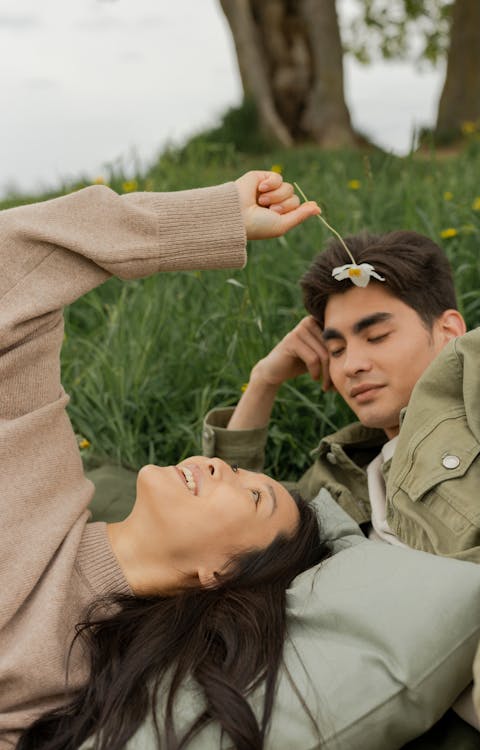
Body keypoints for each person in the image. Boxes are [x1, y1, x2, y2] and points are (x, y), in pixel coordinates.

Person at [0, 171, 328, 750]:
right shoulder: (38, 463)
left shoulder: (80, 680)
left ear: (220, 575)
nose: (224, 466)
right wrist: (210, 216)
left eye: (254, 493)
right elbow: (15, 261)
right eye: (246, 472)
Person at [203, 230, 480, 748]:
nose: (351, 365)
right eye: (334, 347)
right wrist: (264, 381)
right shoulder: (337, 480)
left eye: (376, 336)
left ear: (449, 329)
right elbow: (216, 530)